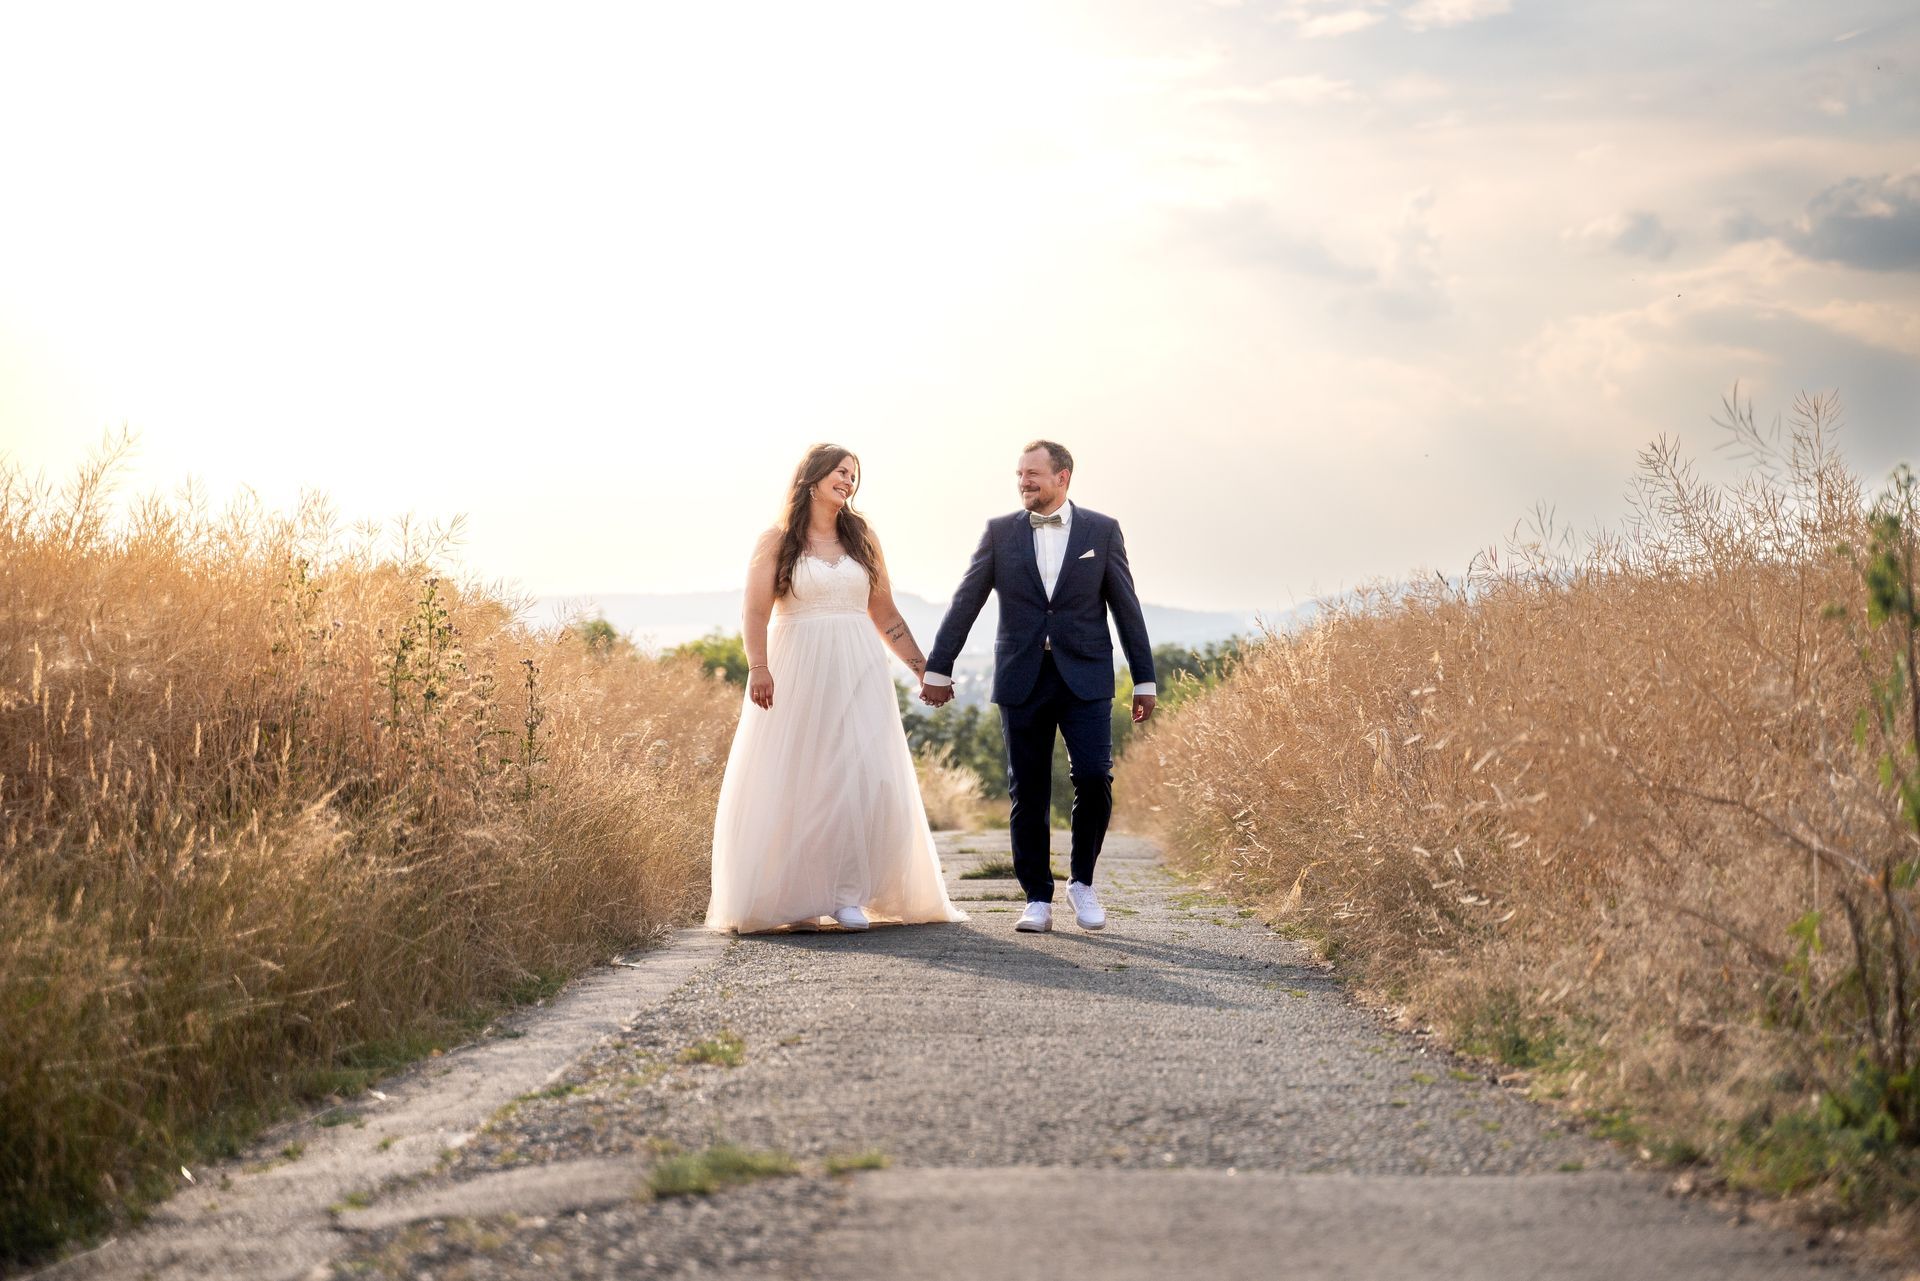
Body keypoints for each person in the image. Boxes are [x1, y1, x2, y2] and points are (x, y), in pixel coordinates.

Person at [704, 444, 966, 934]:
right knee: (802, 779)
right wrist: (758, 667)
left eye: (853, 475)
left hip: (858, 668)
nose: (848, 481)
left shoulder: (862, 536)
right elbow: (755, 612)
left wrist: (922, 669)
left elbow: (884, 613)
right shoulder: (776, 540)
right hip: (795, 668)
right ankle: (799, 897)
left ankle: (846, 893)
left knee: (859, 776)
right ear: (813, 478)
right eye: (841, 472)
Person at [920, 441, 1155, 933]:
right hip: (1021, 676)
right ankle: (1037, 898)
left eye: (1033, 474)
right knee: (1027, 788)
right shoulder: (1000, 533)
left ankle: (1082, 882)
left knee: (1094, 777)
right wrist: (939, 668)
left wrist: (1144, 678)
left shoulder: (1102, 530)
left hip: (1086, 676)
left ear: (1062, 477)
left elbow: (1126, 608)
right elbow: (967, 600)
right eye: (1019, 475)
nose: (1024, 482)